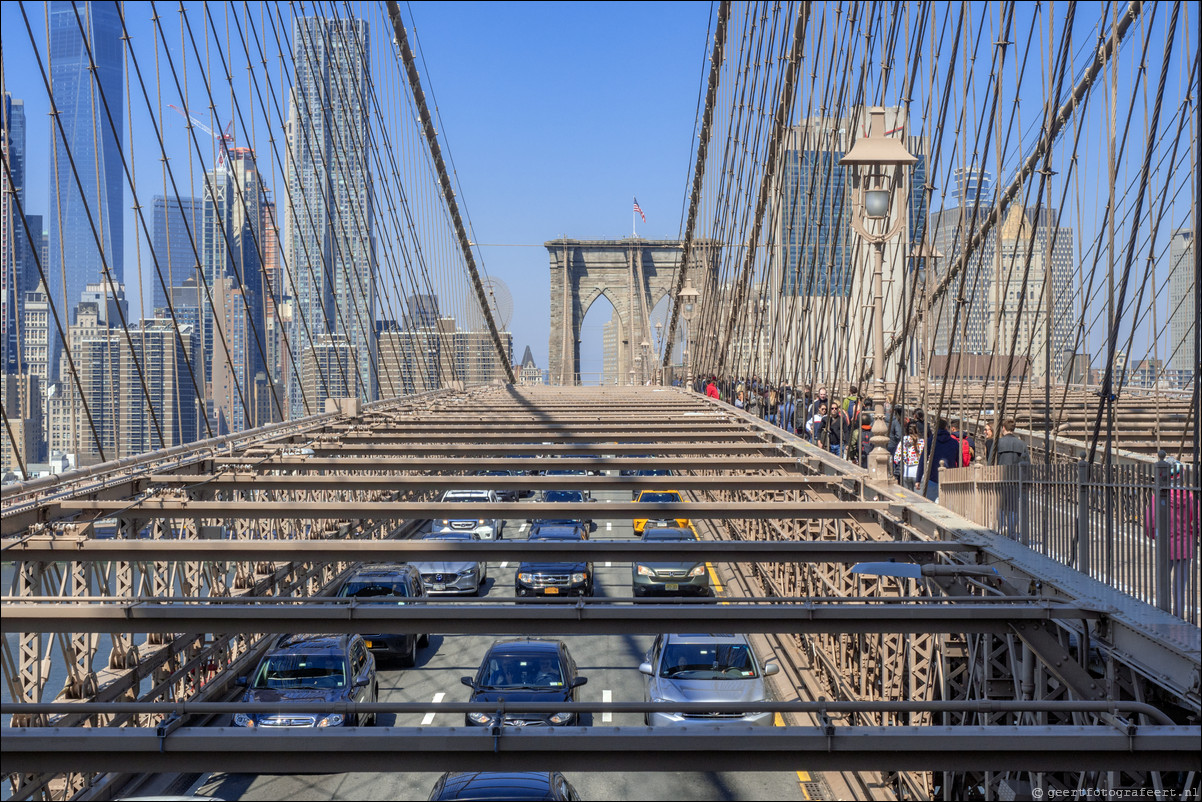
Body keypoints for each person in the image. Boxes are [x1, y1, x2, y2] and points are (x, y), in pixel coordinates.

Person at [1144, 459, 1198, 619]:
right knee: (1180, 587)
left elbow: (1149, 522)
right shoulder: (1189, 496)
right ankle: (1179, 617)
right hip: (1185, 547)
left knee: (1163, 584)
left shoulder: (1159, 496)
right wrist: (1193, 533)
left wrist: (1155, 536)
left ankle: (1163, 615)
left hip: (1166, 545)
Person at [921, 418, 963, 502]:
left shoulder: (930, 441)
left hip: (933, 478)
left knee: (931, 506)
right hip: (950, 478)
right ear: (946, 428)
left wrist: (918, 479)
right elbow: (959, 461)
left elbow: (923, 460)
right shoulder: (954, 442)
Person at [893, 421, 924, 490]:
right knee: (919, 499)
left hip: (906, 473)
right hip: (918, 474)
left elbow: (896, 458)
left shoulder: (903, 441)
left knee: (908, 498)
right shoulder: (922, 442)